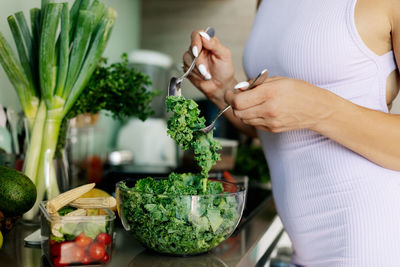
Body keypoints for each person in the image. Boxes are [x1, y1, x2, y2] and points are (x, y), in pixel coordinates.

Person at [182, 0, 400, 266]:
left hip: (373, 244)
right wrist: (221, 90)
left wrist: (320, 110)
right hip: (305, 249)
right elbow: (278, 125)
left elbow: (304, 111)